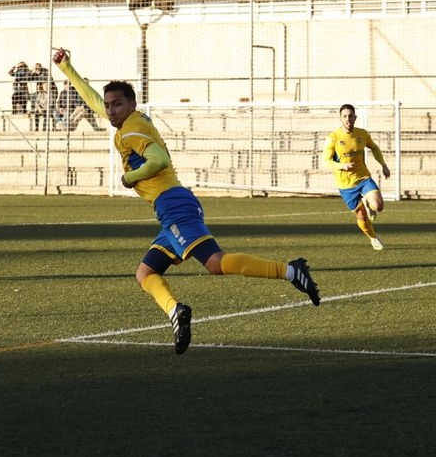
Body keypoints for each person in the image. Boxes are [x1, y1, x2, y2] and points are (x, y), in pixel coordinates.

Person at [52, 48, 321, 354]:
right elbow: (94, 101)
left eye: (117, 105)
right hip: (171, 207)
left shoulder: (131, 132)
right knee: (145, 273)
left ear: (132, 105)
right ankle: (176, 311)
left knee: (216, 263)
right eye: (109, 105)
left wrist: (129, 177)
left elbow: (159, 160)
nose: (110, 110)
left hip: (173, 205)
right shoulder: (133, 120)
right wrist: (67, 69)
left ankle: (291, 271)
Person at [322, 103, 391, 250]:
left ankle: (370, 205)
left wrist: (384, 165)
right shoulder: (333, 138)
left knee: (378, 206)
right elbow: (326, 161)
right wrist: (342, 166)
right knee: (361, 216)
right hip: (345, 185)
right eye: (345, 116)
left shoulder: (362, 134)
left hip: (363, 178)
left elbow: (374, 148)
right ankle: (373, 237)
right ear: (340, 118)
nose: (348, 119)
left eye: (350, 116)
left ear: (355, 117)